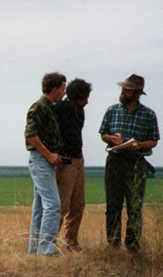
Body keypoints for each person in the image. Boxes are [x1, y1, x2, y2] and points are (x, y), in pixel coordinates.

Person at [98, 74, 160, 252]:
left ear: (137, 93)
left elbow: (154, 141)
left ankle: (132, 246)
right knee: (113, 205)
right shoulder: (112, 110)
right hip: (114, 161)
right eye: (122, 88)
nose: (123, 92)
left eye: (127, 89)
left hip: (136, 163)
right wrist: (111, 138)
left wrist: (138, 145)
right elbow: (103, 134)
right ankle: (113, 245)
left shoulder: (149, 114)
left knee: (134, 206)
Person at [25, 72, 66, 256]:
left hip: (43, 162)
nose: (64, 93)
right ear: (55, 89)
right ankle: (47, 251)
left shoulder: (48, 107)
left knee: (41, 207)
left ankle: (34, 250)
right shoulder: (39, 107)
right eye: (63, 89)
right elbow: (30, 135)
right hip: (41, 161)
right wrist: (49, 155)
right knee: (53, 205)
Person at [53, 78, 92, 251]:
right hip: (64, 162)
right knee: (61, 206)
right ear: (76, 97)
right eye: (85, 98)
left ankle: (71, 243)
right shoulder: (58, 110)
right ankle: (48, 245)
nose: (87, 102)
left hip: (78, 160)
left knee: (78, 204)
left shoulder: (80, 112)